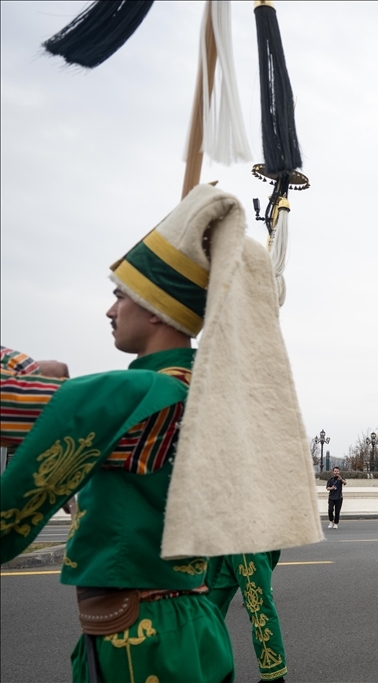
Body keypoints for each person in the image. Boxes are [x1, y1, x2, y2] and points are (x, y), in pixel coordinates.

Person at [0, 185, 321, 683]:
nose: (110, 311)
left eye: (120, 295)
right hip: (169, 630)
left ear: (154, 310)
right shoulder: (195, 386)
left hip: (145, 645)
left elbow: (13, 404)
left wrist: (23, 370)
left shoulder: (147, 393)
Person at [207, 551, 287, 682]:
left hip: (247, 544)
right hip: (222, 542)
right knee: (206, 609)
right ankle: (206, 669)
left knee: (259, 610)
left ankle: (274, 676)